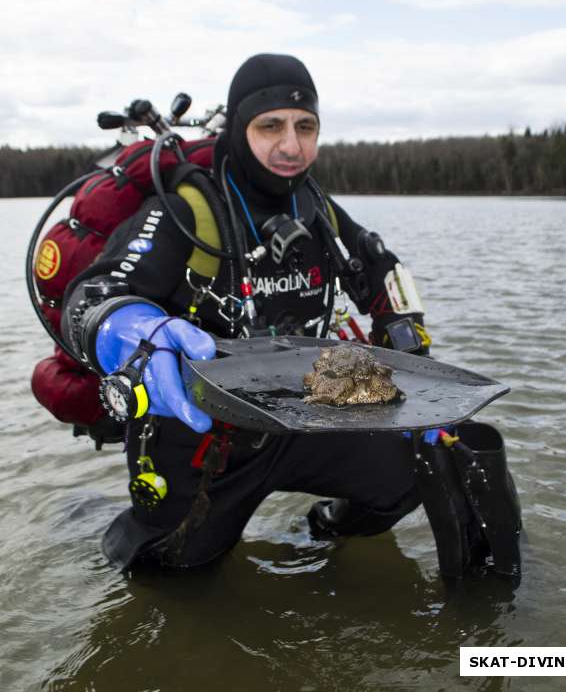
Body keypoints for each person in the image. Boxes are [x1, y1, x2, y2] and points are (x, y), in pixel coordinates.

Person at [61, 54, 520, 576]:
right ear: (238, 128)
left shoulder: (316, 208)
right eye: (270, 126)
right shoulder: (188, 209)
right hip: (198, 434)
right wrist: (132, 330)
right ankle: (98, 528)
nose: (291, 145)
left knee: (407, 473)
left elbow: (384, 280)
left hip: (305, 414)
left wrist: (415, 367)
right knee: (169, 571)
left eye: (306, 126)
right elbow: (94, 293)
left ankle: (323, 533)